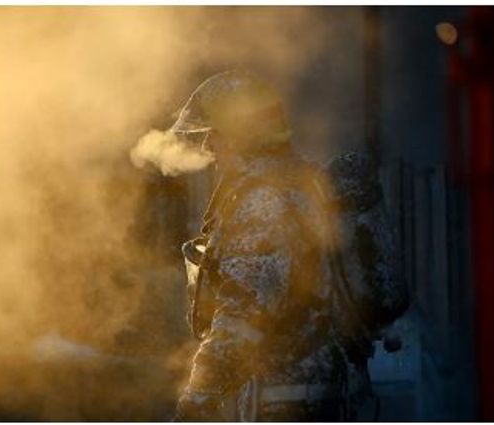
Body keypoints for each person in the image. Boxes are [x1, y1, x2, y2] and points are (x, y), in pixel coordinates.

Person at [171, 70, 403, 421]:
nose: (208, 147)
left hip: (292, 403)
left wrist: (196, 401)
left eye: (214, 134)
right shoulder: (301, 185)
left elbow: (242, 317)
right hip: (324, 395)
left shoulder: (265, 203)